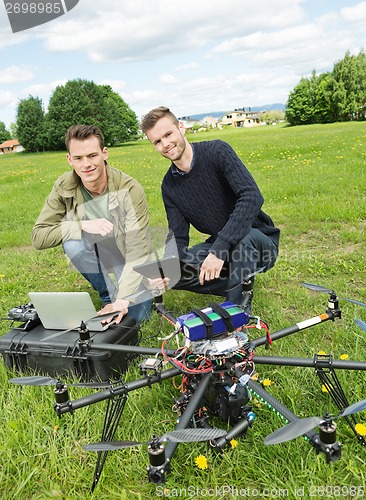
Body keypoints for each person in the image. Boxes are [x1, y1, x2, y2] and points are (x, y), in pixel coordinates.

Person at [140, 106, 280, 312]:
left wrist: (218, 251)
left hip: (258, 240)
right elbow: (179, 236)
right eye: (157, 142)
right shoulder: (169, 186)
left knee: (243, 240)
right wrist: (168, 268)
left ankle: (234, 314)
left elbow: (252, 197)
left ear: (181, 128)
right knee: (172, 272)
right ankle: (240, 280)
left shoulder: (217, 151)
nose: (165, 144)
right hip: (219, 245)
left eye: (168, 134)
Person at [32, 124, 152, 325]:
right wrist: (82, 225)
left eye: (92, 156)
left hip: (128, 255)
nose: (86, 164)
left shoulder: (130, 189)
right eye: (78, 158)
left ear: (104, 154)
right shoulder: (64, 187)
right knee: (72, 243)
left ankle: (125, 295)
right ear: (69, 159)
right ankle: (107, 294)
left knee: (136, 318)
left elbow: (137, 249)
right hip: (96, 250)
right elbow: (38, 236)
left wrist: (123, 300)